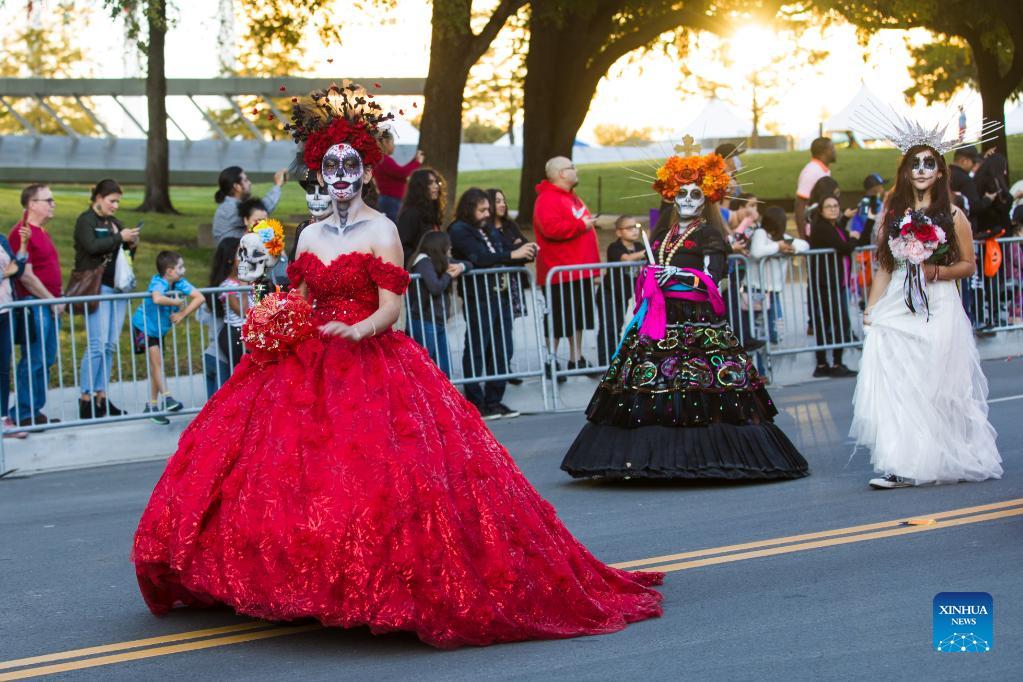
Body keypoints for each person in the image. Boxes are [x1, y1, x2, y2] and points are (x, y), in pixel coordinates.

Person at [132, 84, 663, 648]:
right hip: (309, 361)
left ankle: (368, 584)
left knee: (380, 477)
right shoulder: (309, 233)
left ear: (364, 173)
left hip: (369, 359)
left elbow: (392, 307)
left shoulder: (382, 230)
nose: (339, 174)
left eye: (350, 165)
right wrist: (276, 320)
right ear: (319, 171)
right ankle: (300, 579)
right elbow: (302, 299)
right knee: (284, 474)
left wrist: (357, 329)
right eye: (330, 165)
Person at [561, 151, 808, 480]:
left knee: (700, 386)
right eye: (681, 193)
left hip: (697, 320)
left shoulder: (710, 235)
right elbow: (654, 269)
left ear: (706, 198)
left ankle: (707, 456)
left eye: (695, 194)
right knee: (654, 386)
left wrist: (675, 274)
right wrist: (652, 276)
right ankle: (651, 458)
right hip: (662, 320)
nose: (688, 199)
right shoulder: (663, 235)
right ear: (671, 197)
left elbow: (712, 278)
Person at [852, 137, 1001, 489]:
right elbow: (886, 267)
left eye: (929, 164)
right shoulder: (894, 213)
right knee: (899, 384)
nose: (921, 170)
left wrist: (938, 271)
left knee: (933, 386)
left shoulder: (953, 215)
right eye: (914, 164)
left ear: (939, 173)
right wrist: (871, 308)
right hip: (899, 302)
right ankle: (900, 464)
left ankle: (944, 454)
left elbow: (968, 266)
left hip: (939, 304)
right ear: (905, 171)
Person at [449, 187, 536, 419]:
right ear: (470, 209)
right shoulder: (459, 229)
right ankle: (476, 401)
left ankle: (494, 400)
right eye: (482, 209)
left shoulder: (488, 228)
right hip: (480, 296)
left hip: (502, 294)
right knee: (478, 346)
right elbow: (479, 258)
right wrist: (512, 255)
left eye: (488, 208)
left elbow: (501, 250)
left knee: (503, 347)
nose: (487, 213)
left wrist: (522, 251)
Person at [72, 179, 141, 420]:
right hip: (96, 287)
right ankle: (85, 398)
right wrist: (119, 238)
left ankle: (102, 395)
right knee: (96, 344)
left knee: (110, 344)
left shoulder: (114, 224)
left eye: (118, 202)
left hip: (117, 288)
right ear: (98, 198)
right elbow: (91, 246)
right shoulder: (86, 220)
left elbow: (122, 255)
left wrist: (131, 244)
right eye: (112, 201)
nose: (115, 206)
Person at [533, 156, 600, 373]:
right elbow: (551, 229)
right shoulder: (547, 199)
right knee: (558, 318)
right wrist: (582, 225)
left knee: (578, 317)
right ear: (562, 173)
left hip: (579, 271)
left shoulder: (570, 197)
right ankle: (551, 360)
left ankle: (575, 357)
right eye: (572, 167)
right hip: (560, 271)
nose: (576, 170)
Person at [9, 184, 64, 428]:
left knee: (47, 357)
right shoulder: (22, 233)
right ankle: (23, 411)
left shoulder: (41, 231)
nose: (52, 204)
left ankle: (34, 409)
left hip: (49, 304)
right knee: (34, 358)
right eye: (48, 200)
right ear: (32, 204)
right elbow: (25, 275)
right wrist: (51, 300)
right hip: (36, 304)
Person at [130, 251, 204, 424]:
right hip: (144, 326)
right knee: (156, 363)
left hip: (158, 329)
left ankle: (152, 405)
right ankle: (168, 398)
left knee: (156, 365)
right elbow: (157, 298)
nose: (184, 270)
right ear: (170, 271)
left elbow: (199, 297)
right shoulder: (158, 281)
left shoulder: (180, 283)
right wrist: (175, 303)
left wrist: (183, 313)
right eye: (180, 267)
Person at [807, 195, 858, 378]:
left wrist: (845, 219)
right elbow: (843, 245)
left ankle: (826, 363)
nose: (833, 209)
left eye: (836, 206)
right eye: (829, 207)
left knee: (832, 322)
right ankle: (833, 363)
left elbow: (839, 234)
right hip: (826, 284)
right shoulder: (821, 228)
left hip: (836, 282)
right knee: (838, 322)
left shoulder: (832, 226)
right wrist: (854, 238)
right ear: (821, 211)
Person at [487, 187, 534, 383]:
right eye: (497, 201)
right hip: (494, 284)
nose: (502, 204)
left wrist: (516, 249)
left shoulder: (509, 225)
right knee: (493, 328)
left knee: (507, 326)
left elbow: (528, 249)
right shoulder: (487, 229)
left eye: (503, 200)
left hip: (512, 283)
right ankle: (495, 368)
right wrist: (514, 249)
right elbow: (503, 253)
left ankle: (505, 365)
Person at [407, 231, 467, 376]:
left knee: (444, 367)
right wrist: (448, 275)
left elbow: (468, 263)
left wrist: (461, 267)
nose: (450, 248)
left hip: (437, 320)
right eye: (448, 245)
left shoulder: (437, 260)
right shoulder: (423, 262)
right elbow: (435, 287)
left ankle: (444, 397)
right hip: (425, 320)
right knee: (423, 366)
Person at [747, 206, 808, 344]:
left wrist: (793, 248)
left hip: (774, 291)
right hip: (755, 288)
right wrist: (778, 247)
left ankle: (772, 344)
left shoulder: (783, 238)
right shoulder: (761, 233)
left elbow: (805, 245)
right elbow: (757, 251)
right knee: (757, 324)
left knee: (775, 327)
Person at [596, 216, 646, 365]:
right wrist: (645, 253)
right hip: (608, 292)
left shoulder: (638, 246)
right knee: (608, 327)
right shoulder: (614, 247)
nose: (634, 230)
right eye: (629, 228)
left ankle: (615, 358)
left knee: (617, 326)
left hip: (623, 294)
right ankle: (604, 361)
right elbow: (626, 259)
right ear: (619, 232)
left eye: (635, 226)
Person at [199, 238, 241, 399]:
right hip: (223, 357)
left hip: (212, 353)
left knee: (212, 411)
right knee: (220, 410)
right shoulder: (230, 287)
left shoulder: (215, 289)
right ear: (231, 258)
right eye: (241, 253)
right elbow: (243, 312)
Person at [0, 226, 28, 437]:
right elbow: (7, 270)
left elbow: (17, 268)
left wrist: (23, 245)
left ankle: (3, 419)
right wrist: (4, 272)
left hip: (5, 311)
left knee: (3, 368)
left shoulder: (1, 239)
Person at [212, 166, 285, 244]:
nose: (250, 183)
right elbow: (262, 210)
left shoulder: (230, 205)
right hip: (233, 254)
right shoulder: (230, 207)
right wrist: (278, 185)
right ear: (237, 186)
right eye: (246, 180)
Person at [396, 168, 445, 264]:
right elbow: (403, 247)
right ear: (419, 187)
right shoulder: (410, 214)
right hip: (419, 271)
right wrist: (422, 259)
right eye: (430, 183)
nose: (436, 186)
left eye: (436, 182)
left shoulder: (432, 212)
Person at [374, 129, 424, 222]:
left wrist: (413, 161)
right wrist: (417, 163)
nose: (394, 146)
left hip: (389, 199)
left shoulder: (381, 159)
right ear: (386, 143)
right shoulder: (385, 160)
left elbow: (399, 172)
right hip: (391, 200)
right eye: (393, 143)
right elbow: (403, 173)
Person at [794, 137, 835, 238]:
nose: (835, 151)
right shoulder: (811, 171)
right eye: (832, 148)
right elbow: (800, 205)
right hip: (813, 232)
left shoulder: (823, 171)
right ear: (824, 151)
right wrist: (803, 236)